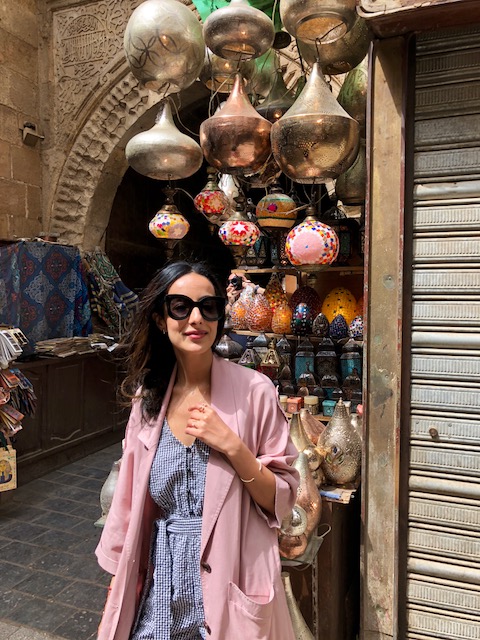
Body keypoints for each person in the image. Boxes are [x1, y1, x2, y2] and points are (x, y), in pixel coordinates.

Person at [95, 260, 299, 640]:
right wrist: (118, 582)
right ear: (160, 318)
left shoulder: (254, 392)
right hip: (158, 589)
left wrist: (233, 446)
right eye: (180, 306)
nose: (196, 318)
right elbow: (129, 500)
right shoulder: (149, 400)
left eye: (208, 307)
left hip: (228, 583)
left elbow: (282, 499)